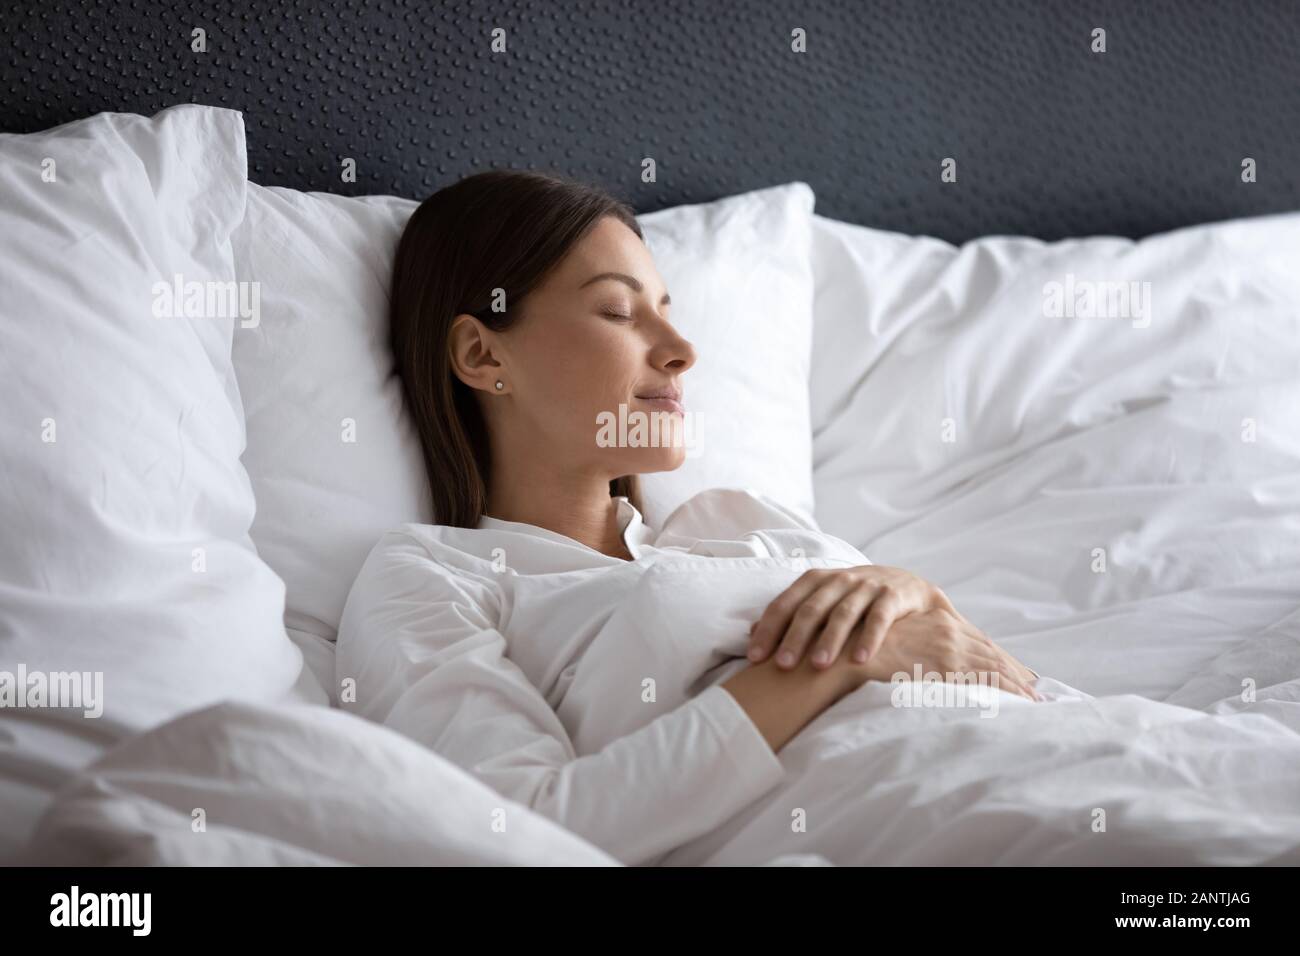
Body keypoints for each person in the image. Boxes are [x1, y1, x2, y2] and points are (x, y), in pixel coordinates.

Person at [336, 169, 1041, 865]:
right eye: (618, 311)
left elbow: (984, 670)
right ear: (482, 352)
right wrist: (836, 663)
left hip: (1059, 756)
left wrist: (911, 590)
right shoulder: (430, 578)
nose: (682, 351)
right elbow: (522, 830)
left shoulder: (735, 520)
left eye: (667, 310)